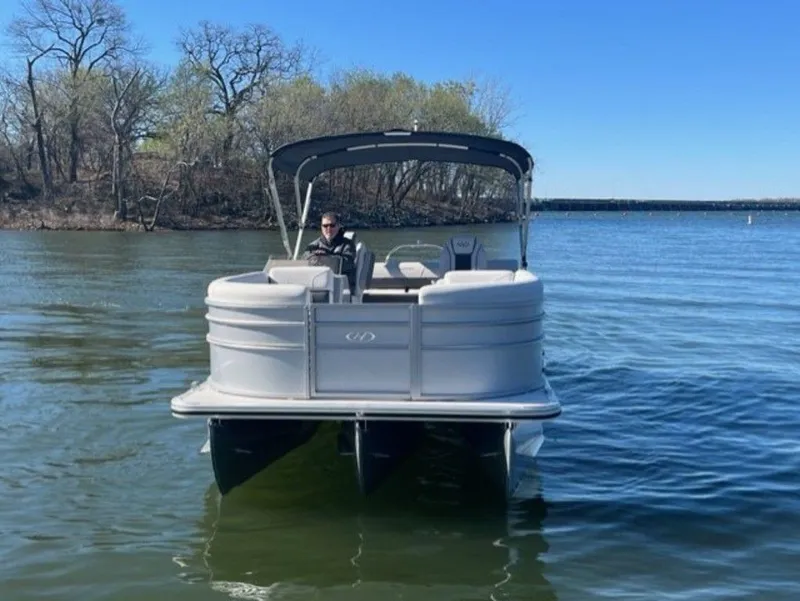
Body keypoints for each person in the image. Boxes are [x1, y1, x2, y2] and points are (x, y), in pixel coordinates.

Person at [302, 212, 357, 291]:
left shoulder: (348, 244)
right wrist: (315, 258)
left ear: (338, 226)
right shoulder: (312, 246)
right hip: (317, 284)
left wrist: (327, 258)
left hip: (341, 287)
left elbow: (348, 263)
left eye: (332, 225)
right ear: (321, 227)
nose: (328, 229)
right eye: (325, 226)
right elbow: (304, 262)